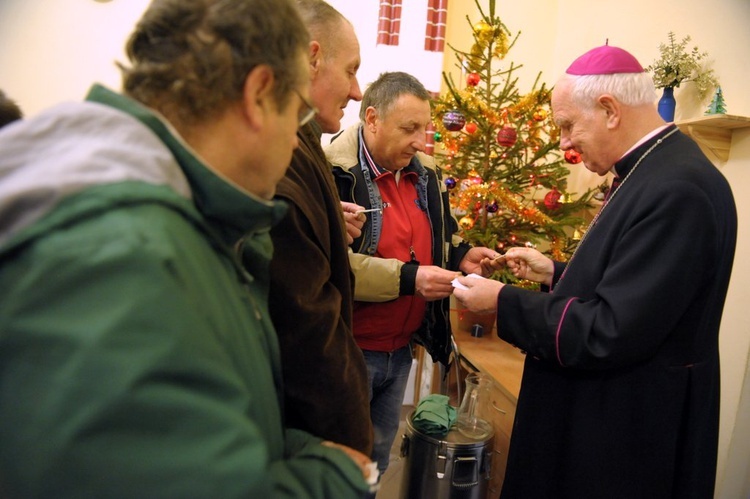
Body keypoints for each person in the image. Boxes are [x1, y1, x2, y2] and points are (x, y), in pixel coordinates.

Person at [0, 0, 374, 497]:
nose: (292, 142)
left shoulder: (172, 221)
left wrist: (292, 449)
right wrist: (336, 478)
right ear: (260, 93)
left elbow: (170, 427)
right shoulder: (122, 256)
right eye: (295, 113)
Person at [454, 45, 737, 499]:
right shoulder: (656, 171)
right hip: (615, 412)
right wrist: (554, 272)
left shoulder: (677, 188)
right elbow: (635, 286)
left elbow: (610, 329)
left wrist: (501, 301)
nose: (564, 142)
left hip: (625, 432)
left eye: (567, 125)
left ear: (608, 110)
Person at [325, 71, 501, 478]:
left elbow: (439, 238)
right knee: (336, 470)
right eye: (409, 128)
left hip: (401, 351)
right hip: (347, 351)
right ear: (372, 119)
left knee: (377, 464)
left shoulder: (428, 174)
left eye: (424, 128)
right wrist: (412, 279)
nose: (420, 141)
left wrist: (462, 256)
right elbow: (334, 266)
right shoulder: (332, 171)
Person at [249, 0, 373, 458]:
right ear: (313, 58)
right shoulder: (283, 156)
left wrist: (324, 221)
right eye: (352, 71)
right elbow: (307, 330)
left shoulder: (302, 144)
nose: (357, 92)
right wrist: (352, 442)